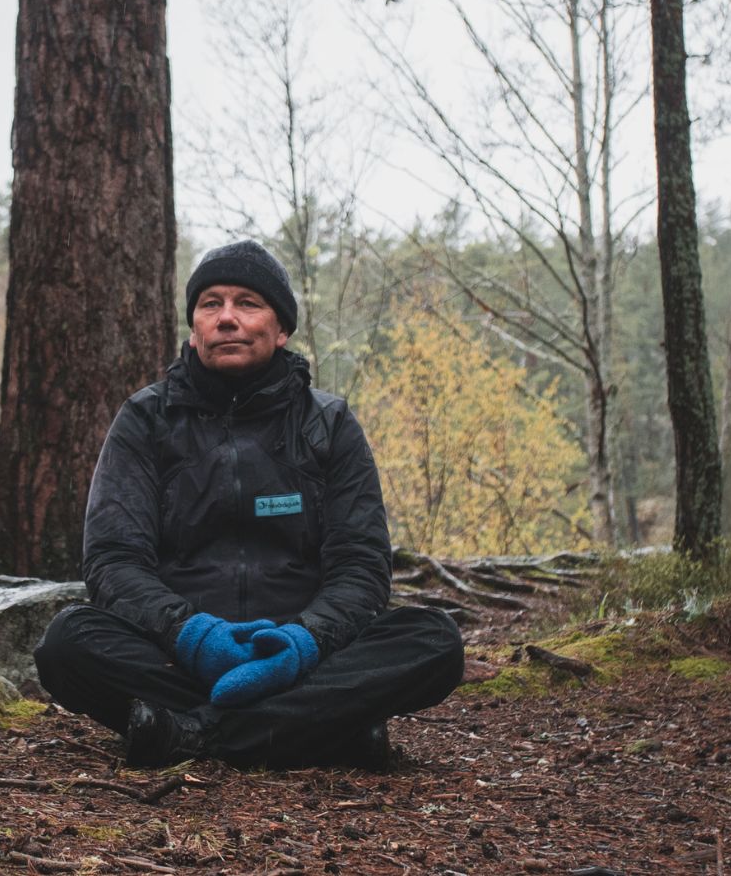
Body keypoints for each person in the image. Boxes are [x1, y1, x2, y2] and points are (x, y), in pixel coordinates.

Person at [33, 240, 464, 770]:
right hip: (181, 654)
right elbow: (112, 562)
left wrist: (302, 643)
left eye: (247, 303)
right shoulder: (146, 420)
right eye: (211, 303)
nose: (227, 318)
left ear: (281, 329)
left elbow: (361, 566)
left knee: (434, 640)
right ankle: (321, 729)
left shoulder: (327, 425)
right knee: (67, 642)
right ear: (194, 325)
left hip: (305, 655)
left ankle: (193, 733)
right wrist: (195, 636)